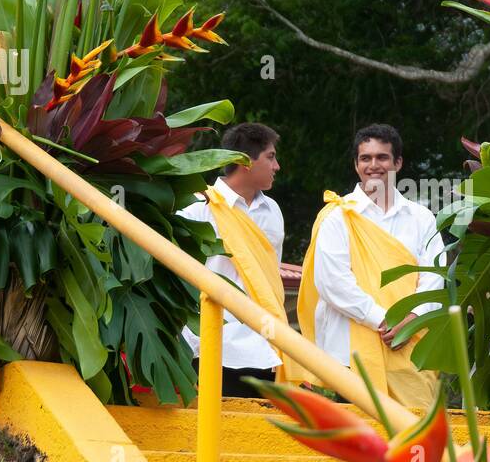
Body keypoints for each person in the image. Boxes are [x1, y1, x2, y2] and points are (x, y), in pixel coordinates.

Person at [298, 124, 443, 408]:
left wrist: (412, 319)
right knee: (360, 443)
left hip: (411, 346)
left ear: (397, 163)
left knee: (416, 431)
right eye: (365, 158)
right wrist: (385, 321)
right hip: (352, 352)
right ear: (356, 165)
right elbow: (333, 283)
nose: (373, 165)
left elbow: (433, 277)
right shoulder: (338, 216)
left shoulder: (422, 218)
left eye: (382, 157)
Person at [179, 122, 287, 398]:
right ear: (244, 162)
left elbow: (271, 277)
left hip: (265, 345)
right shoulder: (198, 207)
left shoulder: (272, 210)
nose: (277, 166)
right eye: (271, 157)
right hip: (214, 344)